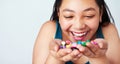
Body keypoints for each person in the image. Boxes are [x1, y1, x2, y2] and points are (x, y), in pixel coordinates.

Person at [32, 0, 120, 64]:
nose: (79, 26)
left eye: (89, 16)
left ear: (100, 13)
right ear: (58, 13)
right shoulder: (49, 29)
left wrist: (99, 58)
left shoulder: (108, 30)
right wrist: (56, 58)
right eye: (69, 16)